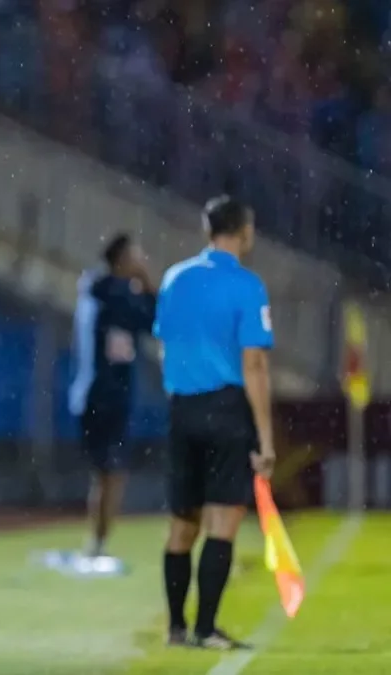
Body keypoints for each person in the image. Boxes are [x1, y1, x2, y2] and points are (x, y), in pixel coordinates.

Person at [154, 196, 276, 650]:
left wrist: (181, 397)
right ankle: (205, 629)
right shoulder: (247, 286)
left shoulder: (174, 278)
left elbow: (164, 346)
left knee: (181, 524)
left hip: (183, 408)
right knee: (222, 523)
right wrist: (265, 439)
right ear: (243, 231)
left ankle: (175, 629)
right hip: (226, 409)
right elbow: (255, 364)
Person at [67, 233, 156, 564]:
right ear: (122, 259)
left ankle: (96, 541)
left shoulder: (95, 290)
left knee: (104, 473)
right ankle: (98, 541)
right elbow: (157, 319)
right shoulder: (119, 295)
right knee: (113, 473)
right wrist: (146, 282)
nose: (142, 259)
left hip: (90, 393)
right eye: (137, 254)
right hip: (109, 396)